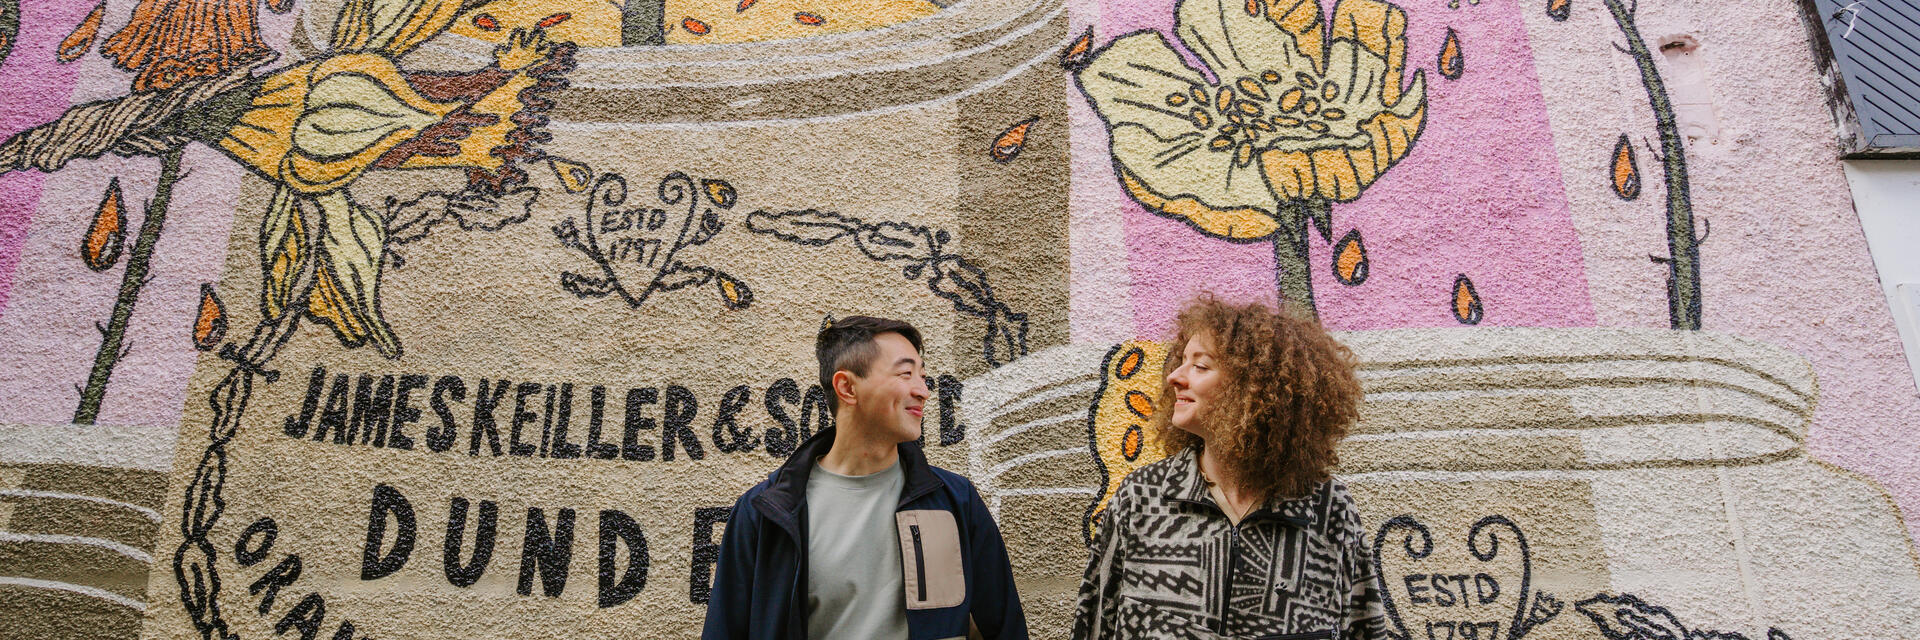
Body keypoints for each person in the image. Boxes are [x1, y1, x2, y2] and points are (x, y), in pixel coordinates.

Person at [1073, 295, 1388, 639]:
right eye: (1181, 361)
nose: (1174, 377)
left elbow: (1364, 628)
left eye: (1200, 366)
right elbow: (1094, 624)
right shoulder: (1143, 498)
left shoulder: (1326, 507)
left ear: (1254, 387)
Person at [703, 316, 1029, 640]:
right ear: (847, 388)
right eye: (905, 374)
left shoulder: (955, 502)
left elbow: (1005, 628)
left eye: (923, 376)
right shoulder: (767, 513)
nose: (923, 391)